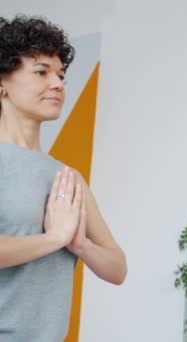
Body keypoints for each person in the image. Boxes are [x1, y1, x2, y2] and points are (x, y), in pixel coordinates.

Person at [0, 15, 127, 341]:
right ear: (3, 83)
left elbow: (117, 267)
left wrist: (79, 244)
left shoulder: (67, 177)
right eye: (41, 72)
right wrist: (53, 239)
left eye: (60, 75)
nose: (57, 83)